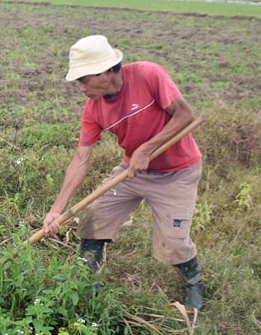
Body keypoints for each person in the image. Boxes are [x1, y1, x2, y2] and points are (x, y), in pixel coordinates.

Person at [42, 35, 204, 309]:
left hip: (176, 173)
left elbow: (185, 115)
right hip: (132, 172)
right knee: (94, 219)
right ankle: (87, 279)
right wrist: (57, 209)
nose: (81, 88)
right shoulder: (93, 108)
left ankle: (193, 282)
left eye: (84, 80)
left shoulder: (148, 75)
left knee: (174, 243)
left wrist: (147, 148)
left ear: (106, 72)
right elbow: (81, 159)